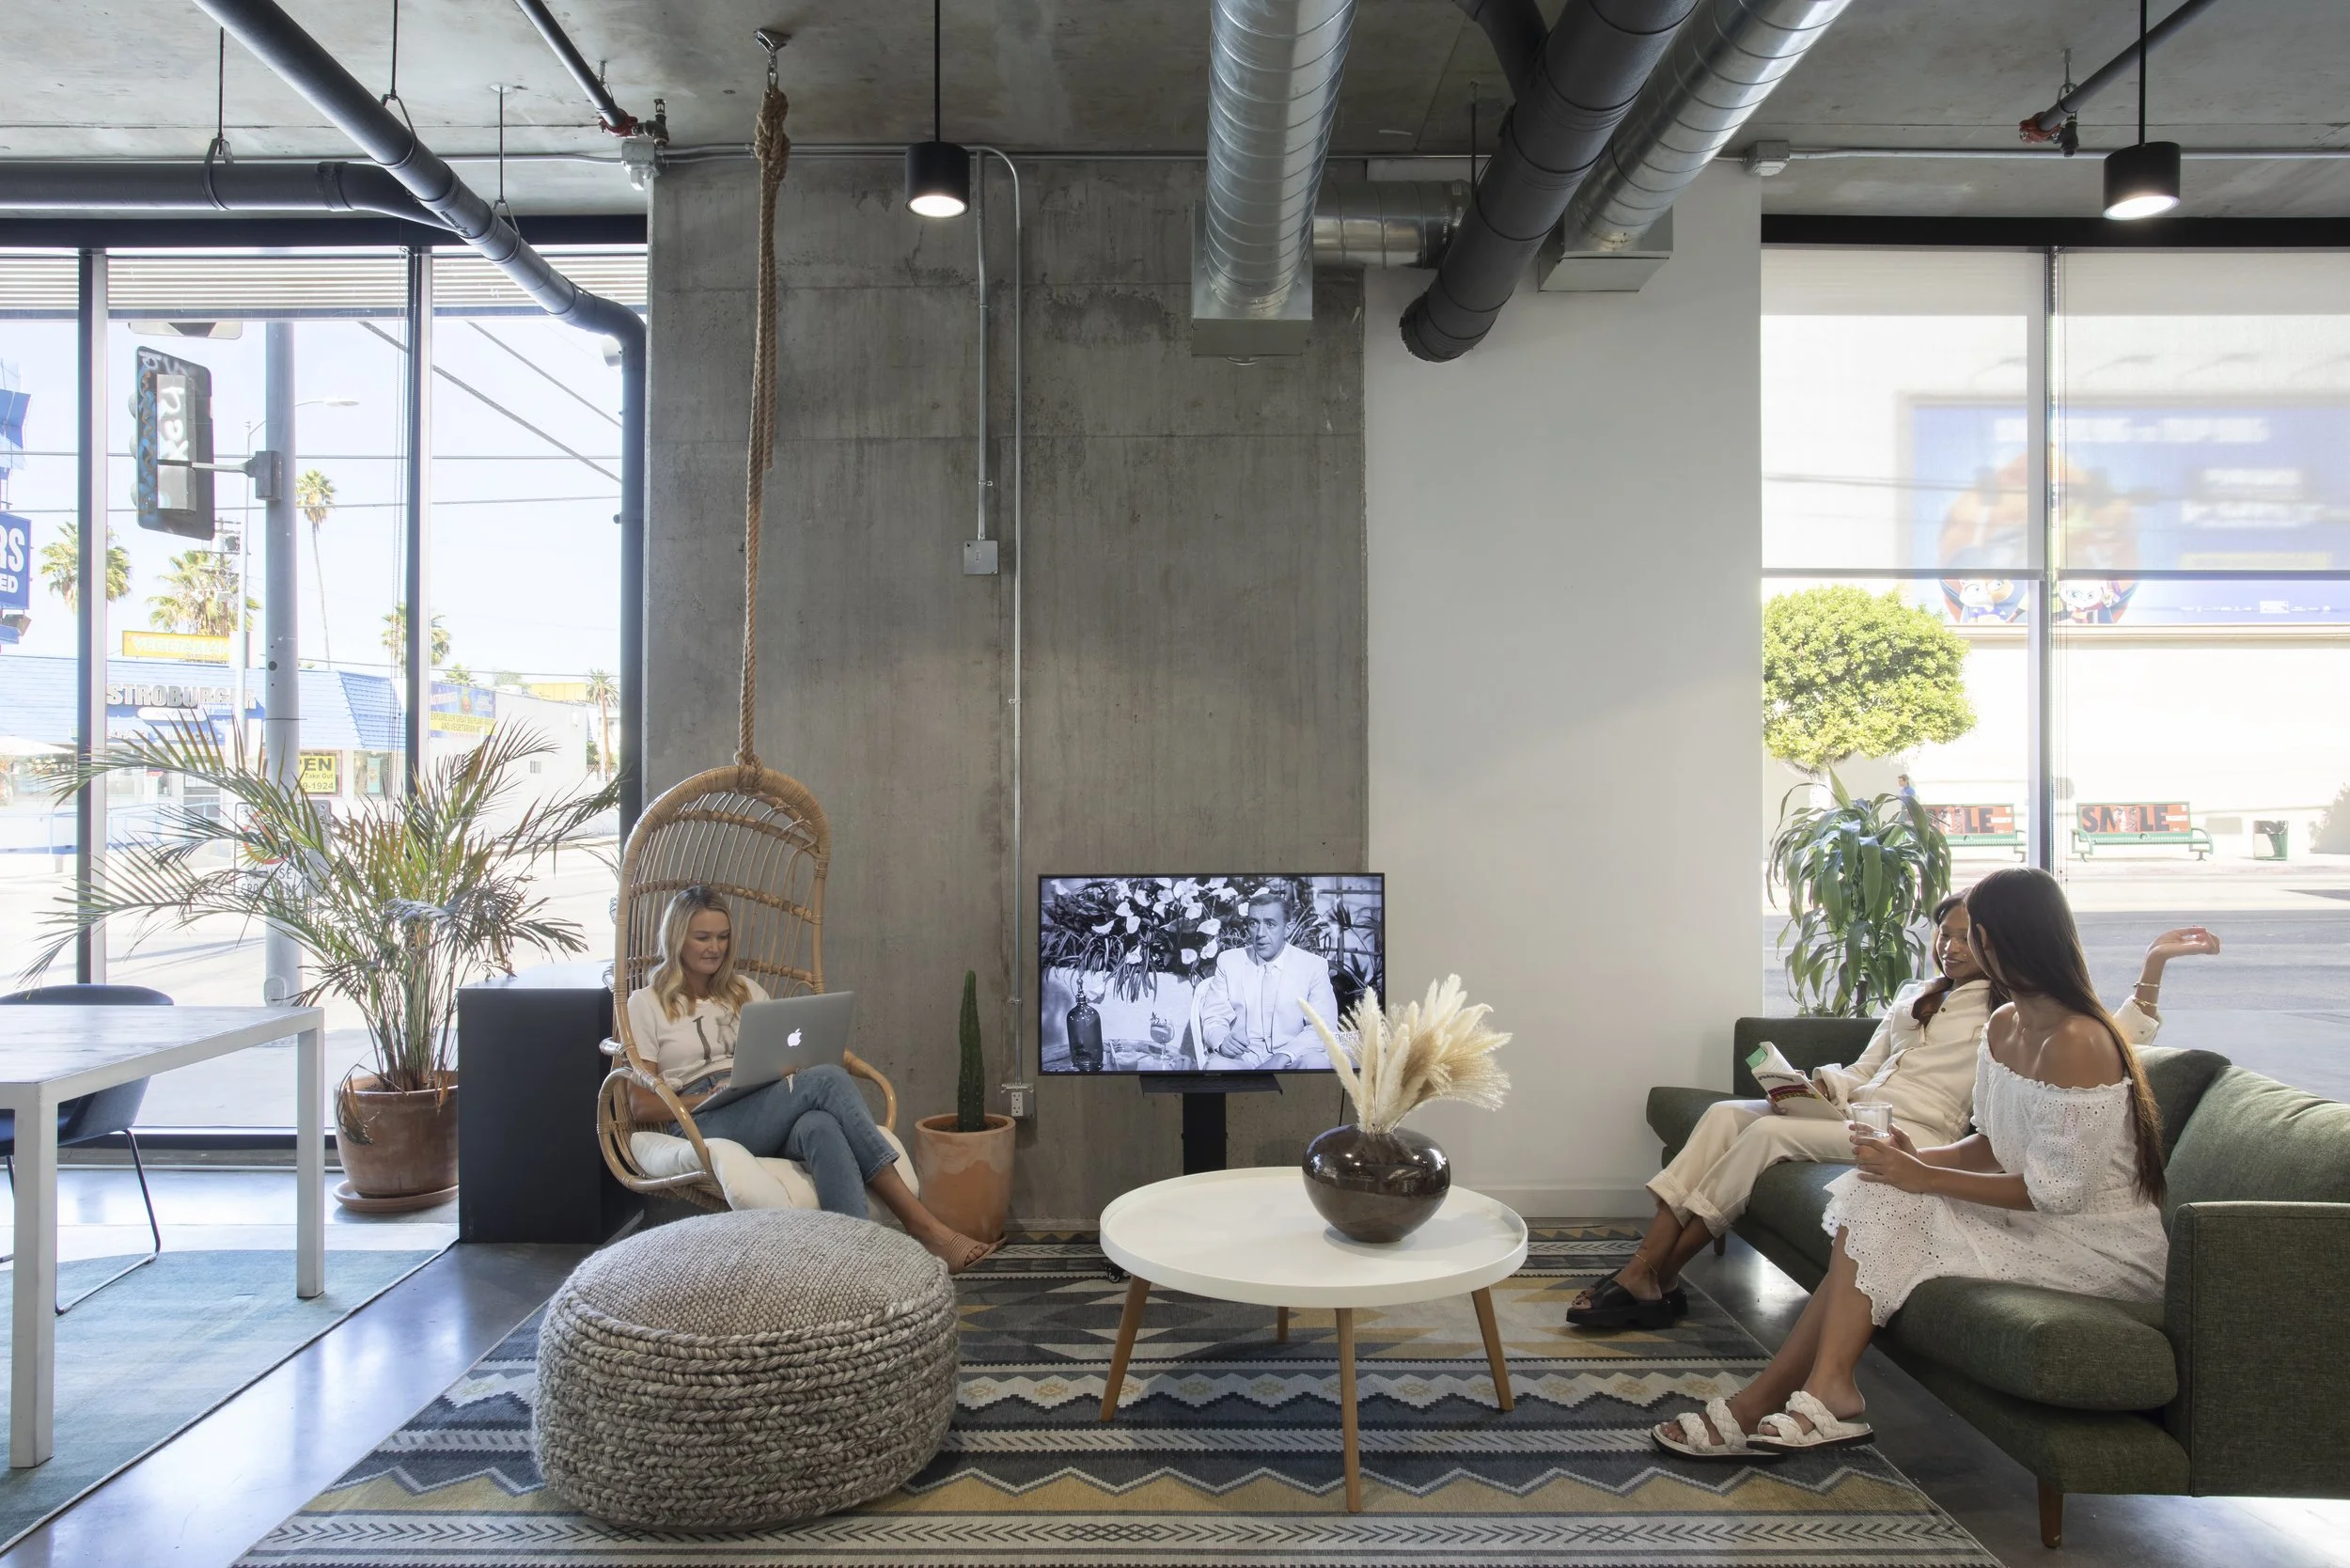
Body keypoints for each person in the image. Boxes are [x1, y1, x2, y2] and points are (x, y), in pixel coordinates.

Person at [1652, 867, 2181, 1458]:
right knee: (1879, 1190)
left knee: (1886, 1210)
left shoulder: (2081, 1041)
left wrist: (1927, 1177)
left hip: (2091, 1243)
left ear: (2012, 937)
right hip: (2033, 1218)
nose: (1961, 945)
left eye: (1976, 932)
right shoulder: (2005, 1025)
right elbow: (1991, 1142)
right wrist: (1915, 1159)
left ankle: (1773, 1400)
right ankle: (1826, 1394)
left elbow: (2058, 1193)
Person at [1569, 896, 2216, 1332]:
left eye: (1968, 936)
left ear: (1995, 944)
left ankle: (1654, 1275)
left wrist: (2152, 968)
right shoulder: (1915, 997)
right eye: (1945, 933)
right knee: (1726, 1116)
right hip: (1852, 1113)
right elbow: (1861, 1069)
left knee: (1764, 1136)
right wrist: (1810, 1086)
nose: (1951, 946)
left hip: (1917, 1135)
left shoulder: (2017, 1013)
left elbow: (2116, 1037)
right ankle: (1647, 1269)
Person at [623, 886, 998, 1272]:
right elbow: (642, 1104)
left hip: (761, 1099)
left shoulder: (744, 991)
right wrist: (710, 1097)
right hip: (699, 1118)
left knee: (820, 1126)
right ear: (676, 937)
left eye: (722, 937)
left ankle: (852, 1266)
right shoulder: (646, 1003)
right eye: (702, 937)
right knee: (827, 1080)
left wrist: (780, 1070)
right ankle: (923, 1225)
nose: (714, 948)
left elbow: (780, 1054)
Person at [1193, 886, 1338, 1070]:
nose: (1260, 933)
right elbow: (1214, 1017)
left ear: (1287, 929)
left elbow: (1322, 1026)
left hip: (1290, 1059)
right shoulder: (1229, 961)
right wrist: (1222, 1041)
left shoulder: (1313, 966)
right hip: (1243, 1059)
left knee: (1317, 1063)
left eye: (1270, 924)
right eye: (1254, 923)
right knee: (1216, 1066)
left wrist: (1282, 1057)